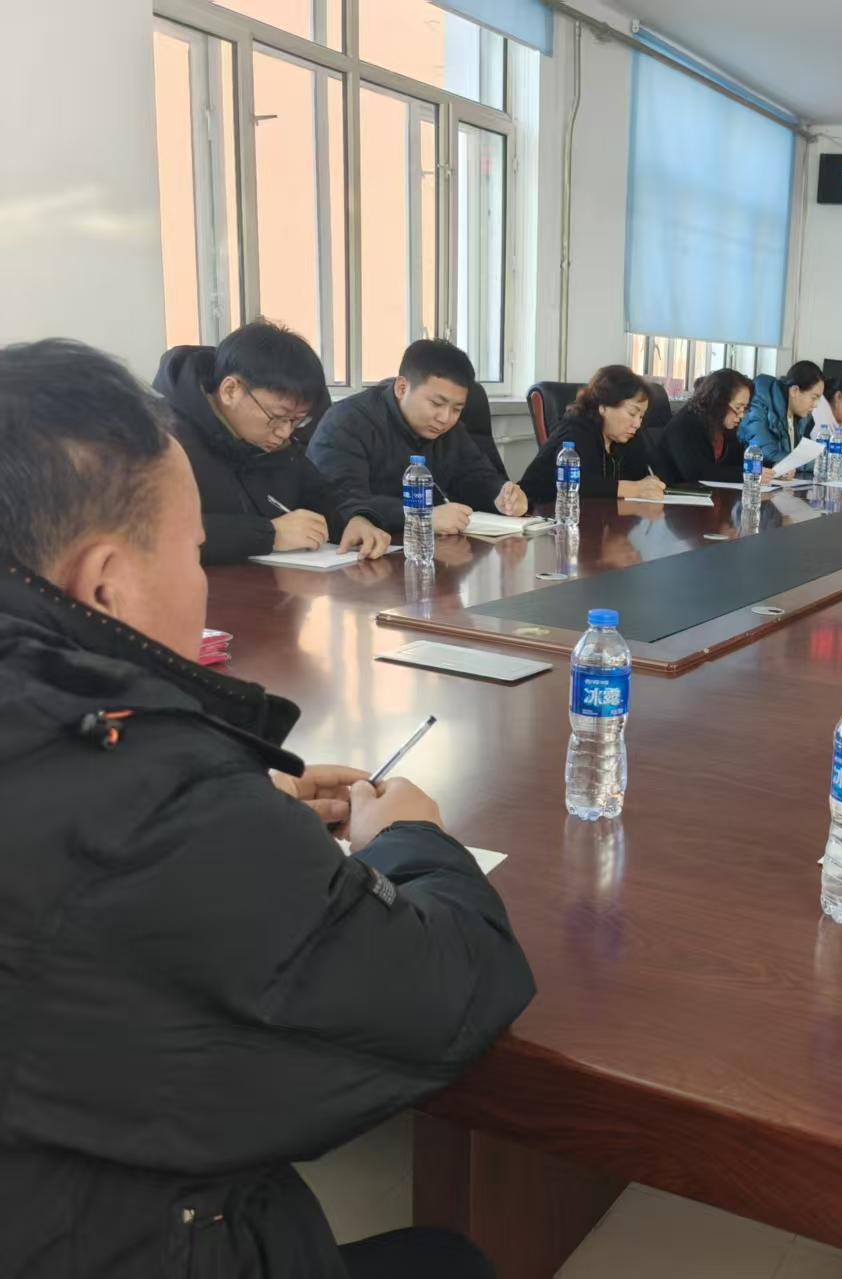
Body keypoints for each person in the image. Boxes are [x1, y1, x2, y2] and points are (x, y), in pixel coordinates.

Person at [0, 339, 535, 1278]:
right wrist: (412, 835)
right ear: (106, 583)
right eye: (191, 551)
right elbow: (452, 994)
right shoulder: (145, 800)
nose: (202, 576)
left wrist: (244, 801)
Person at [154, 321, 390, 564]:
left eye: (296, 420)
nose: (285, 432)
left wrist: (354, 519)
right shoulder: (161, 440)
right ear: (230, 390)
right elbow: (156, 534)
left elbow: (321, 495)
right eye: (277, 417)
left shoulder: (275, 445)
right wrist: (270, 534)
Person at [308, 339, 527, 536]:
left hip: (435, 551)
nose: (445, 418)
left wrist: (501, 495)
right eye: (437, 403)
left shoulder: (450, 430)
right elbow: (341, 500)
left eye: (457, 409)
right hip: (365, 553)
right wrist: (421, 515)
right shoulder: (348, 422)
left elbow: (475, 476)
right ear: (402, 388)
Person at [520, 365, 667, 504]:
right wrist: (633, 489)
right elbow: (576, 483)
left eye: (641, 416)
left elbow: (644, 474)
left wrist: (651, 483)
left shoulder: (627, 436)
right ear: (603, 407)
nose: (637, 424)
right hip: (539, 513)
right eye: (632, 413)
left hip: (599, 516)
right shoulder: (575, 431)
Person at [657, 368, 766, 485]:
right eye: (738, 407)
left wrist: (761, 469)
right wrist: (748, 473)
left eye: (744, 408)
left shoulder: (722, 425)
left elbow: (735, 464)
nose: (741, 415)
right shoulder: (684, 425)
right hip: (677, 493)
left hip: (712, 493)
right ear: (718, 401)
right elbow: (699, 473)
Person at [738, 360, 824, 469]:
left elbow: (800, 456)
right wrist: (819, 464)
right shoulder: (761, 403)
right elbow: (765, 453)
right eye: (814, 398)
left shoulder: (802, 418)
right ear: (795, 391)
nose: (816, 405)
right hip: (751, 477)